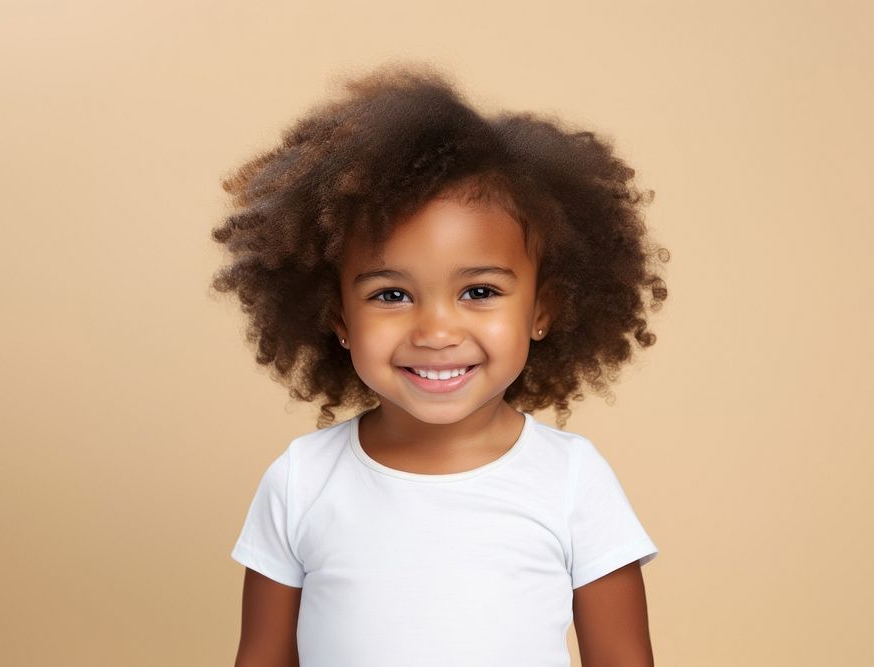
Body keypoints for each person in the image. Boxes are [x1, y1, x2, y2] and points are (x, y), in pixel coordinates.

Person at [212, 62, 669, 667]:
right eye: (391, 295)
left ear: (544, 308)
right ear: (338, 317)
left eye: (479, 291)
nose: (435, 332)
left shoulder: (572, 482)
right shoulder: (301, 482)